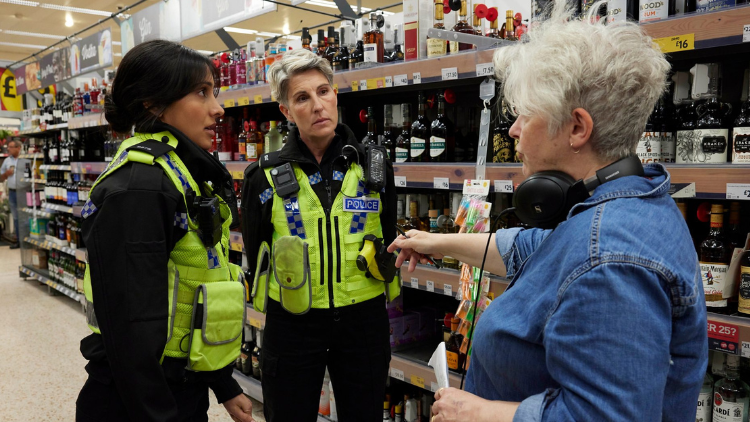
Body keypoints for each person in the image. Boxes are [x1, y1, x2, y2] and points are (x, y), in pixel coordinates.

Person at [388, 4, 707, 422]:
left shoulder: (609, 260)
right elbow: (539, 249)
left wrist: (480, 412)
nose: (514, 129)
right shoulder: (620, 205)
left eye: (525, 113)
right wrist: (435, 241)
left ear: (577, 128)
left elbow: (608, 417)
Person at [76, 40, 254, 422]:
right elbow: (131, 328)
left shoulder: (178, 175)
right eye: (201, 93)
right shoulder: (140, 188)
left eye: (215, 92)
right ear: (153, 104)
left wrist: (222, 383)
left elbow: (191, 289)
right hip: (137, 402)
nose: (218, 108)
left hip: (176, 386)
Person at [241, 48, 398, 422]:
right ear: (286, 111)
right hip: (293, 321)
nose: (317, 105)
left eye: (323, 91)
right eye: (302, 97)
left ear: (335, 95)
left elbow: (386, 234)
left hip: (363, 321)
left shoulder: (373, 165)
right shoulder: (262, 174)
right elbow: (257, 248)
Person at [0, 139, 23, 248]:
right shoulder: (7, 161)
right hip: (13, 193)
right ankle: (19, 241)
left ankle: (27, 240)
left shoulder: (25, 159)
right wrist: (6, 174)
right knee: (16, 217)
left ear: (18, 148)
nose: (8, 149)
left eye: (11, 147)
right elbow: (1, 178)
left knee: (25, 216)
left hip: (24, 192)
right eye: (8, 147)